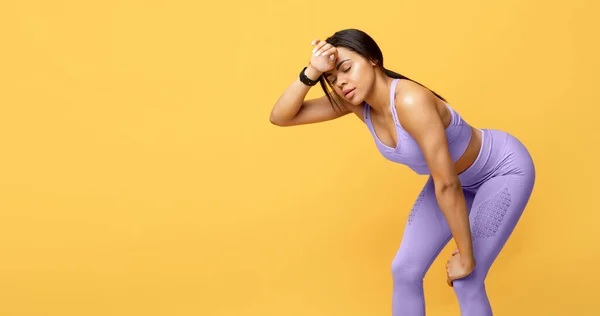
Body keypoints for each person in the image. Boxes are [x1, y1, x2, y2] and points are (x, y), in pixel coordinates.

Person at [269, 28, 535, 316]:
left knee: (466, 280)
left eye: (346, 68)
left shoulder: (410, 101)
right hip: (454, 183)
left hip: (501, 171)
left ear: (373, 59)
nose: (341, 82)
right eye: (332, 79)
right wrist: (311, 71)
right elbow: (281, 116)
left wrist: (466, 256)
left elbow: (447, 185)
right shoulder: (357, 105)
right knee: (405, 270)